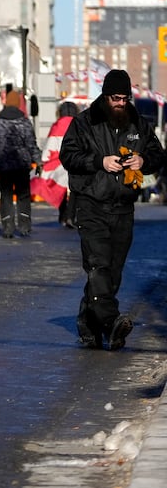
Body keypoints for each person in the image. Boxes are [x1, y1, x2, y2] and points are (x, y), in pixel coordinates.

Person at [59, 69, 165, 351]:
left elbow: (157, 154)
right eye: (115, 98)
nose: (120, 103)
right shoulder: (84, 122)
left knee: (113, 272)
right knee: (98, 266)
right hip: (91, 202)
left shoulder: (138, 124)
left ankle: (88, 324)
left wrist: (143, 159)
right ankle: (111, 321)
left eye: (124, 98)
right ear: (105, 96)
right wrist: (99, 161)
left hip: (123, 207)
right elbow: (67, 156)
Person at [0, 90, 42, 238]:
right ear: (18, 103)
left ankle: (7, 227)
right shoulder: (24, 122)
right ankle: (24, 226)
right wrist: (38, 161)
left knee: (6, 196)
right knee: (23, 196)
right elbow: (31, 145)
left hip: (3, 167)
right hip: (21, 166)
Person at [34, 100, 80, 227]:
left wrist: (43, 161)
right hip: (76, 162)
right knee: (75, 190)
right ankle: (71, 216)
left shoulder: (57, 125)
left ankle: (63, 215)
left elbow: (50, 146)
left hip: (59, 164)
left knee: (61, 189)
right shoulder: (80, 125)